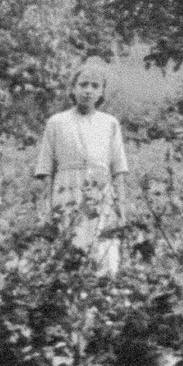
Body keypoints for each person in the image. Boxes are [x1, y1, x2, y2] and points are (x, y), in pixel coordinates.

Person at [33, 59, 130, 278]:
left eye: (95, 86)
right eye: (83, 84)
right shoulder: (57, 122)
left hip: (101, 192)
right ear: (73, 88)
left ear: (101, 92)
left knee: (103, 248)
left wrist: (121, 207)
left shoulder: (110, 123)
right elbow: (45, 168)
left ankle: (103, 288)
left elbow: (118, 168)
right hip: (67, 191)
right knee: (70, 246)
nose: (88, 90)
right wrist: (46, 208)